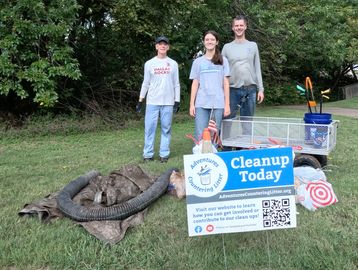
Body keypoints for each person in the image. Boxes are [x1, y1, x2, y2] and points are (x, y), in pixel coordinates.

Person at [136, 36, 180, 163]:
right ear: (156, 46)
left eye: (165, 44)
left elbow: (176, 83)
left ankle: (164, 154)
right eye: (160, 44)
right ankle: (148, 154)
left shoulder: (173, 64)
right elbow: (146, 83)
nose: (162, 46)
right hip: (152, 102)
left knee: (166, 128)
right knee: (149, 128)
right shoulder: (149, 64)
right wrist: (140, 100)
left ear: (168, 47)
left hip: (168, 102)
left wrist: (176, 101)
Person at [189, 30, 230, 144]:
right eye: (207, 39)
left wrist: (227, 105)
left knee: (215, 133)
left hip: (218, 103)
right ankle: (199, 156)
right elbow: (195, 83)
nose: (209, 41)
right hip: (201, 103)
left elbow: (226, 83)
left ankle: (213, 157)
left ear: (217, 42)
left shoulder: (223, 60)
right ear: (203, 42)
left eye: (212, 39)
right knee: (200, 133)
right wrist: (192, 104)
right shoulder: (198, 62)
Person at [222, 15, 264, 124]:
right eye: (236, 26)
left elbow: (257, 67)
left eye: (241, 25)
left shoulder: (253, 45)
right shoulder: (227, 47)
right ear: (233, 28)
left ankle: (245, 141)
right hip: (232, 90)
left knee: (247, 123)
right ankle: (225, 141)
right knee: (227, 120)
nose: (239, 28)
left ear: (245, 27)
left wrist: (261, 89)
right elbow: (221, 71)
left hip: (250, 90)